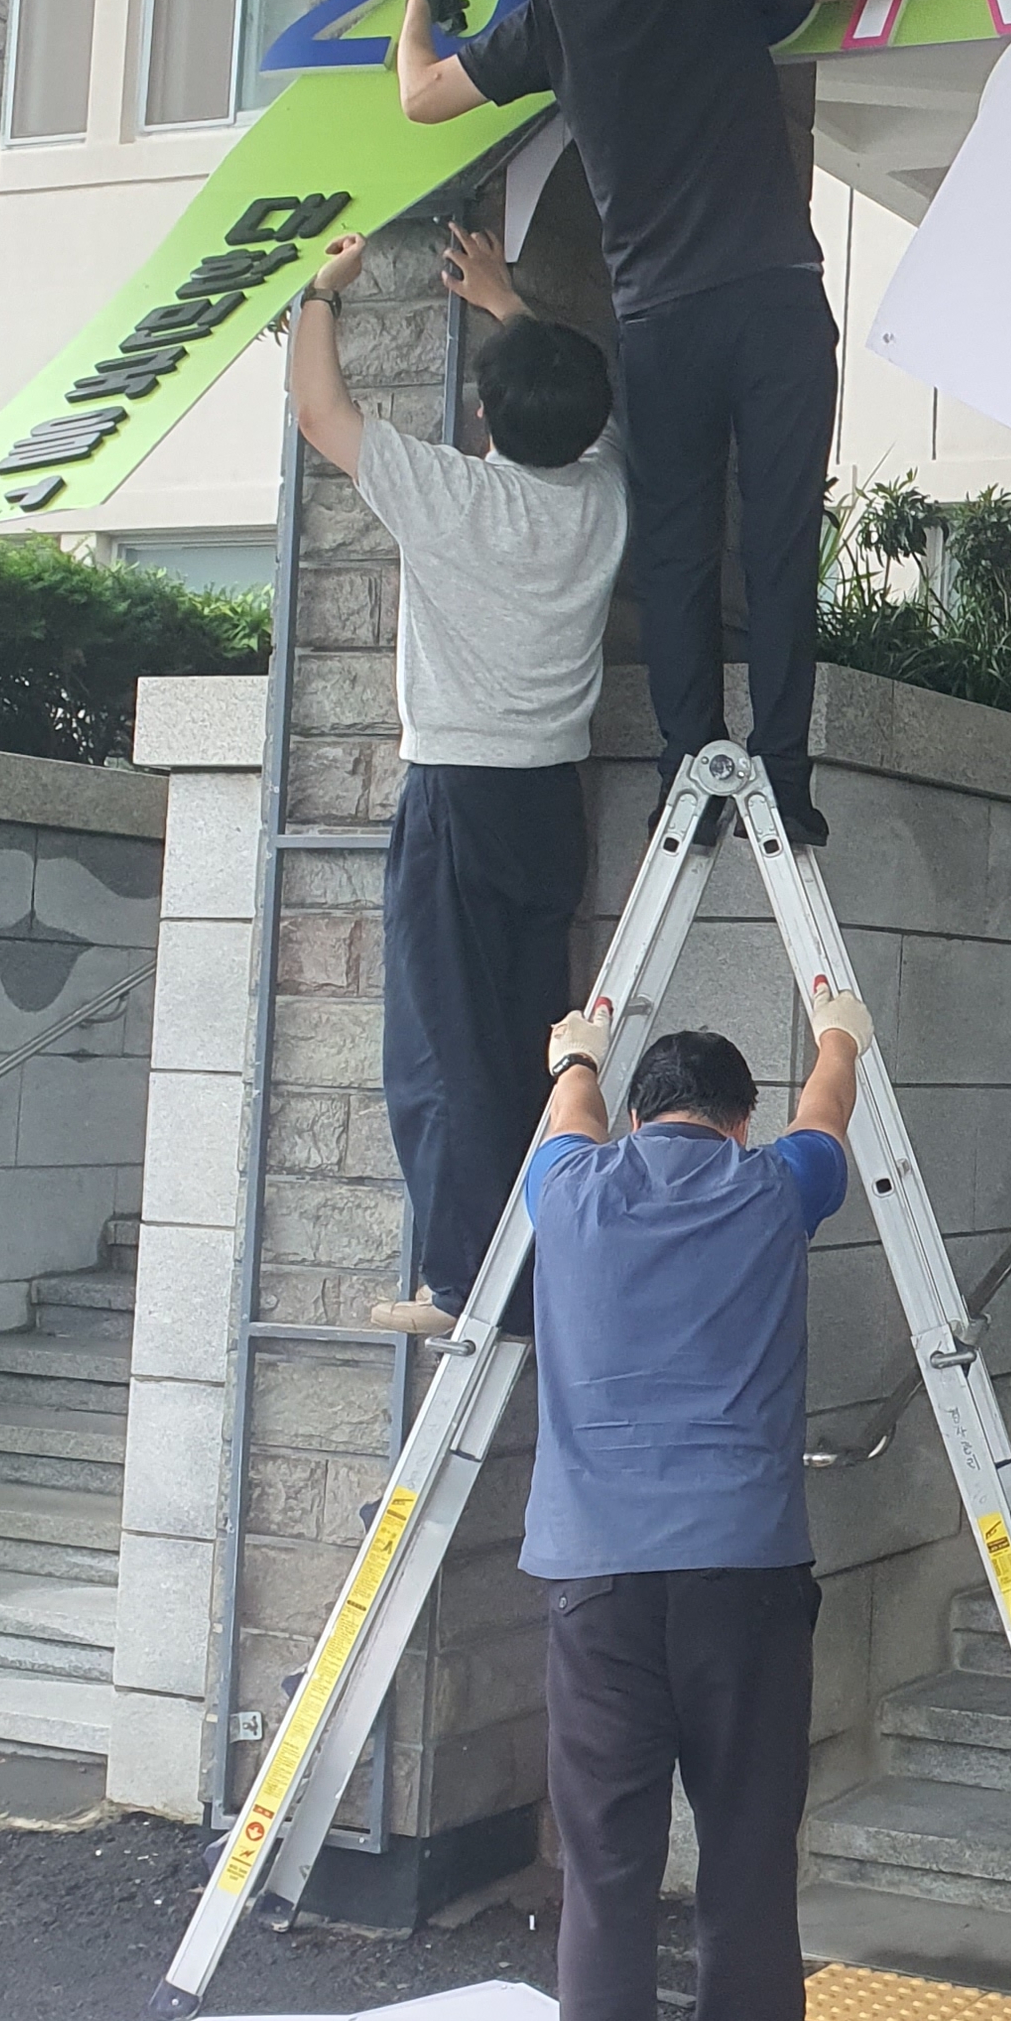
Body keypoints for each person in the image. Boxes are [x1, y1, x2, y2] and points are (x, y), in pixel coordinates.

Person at [394, 0, 907, 847]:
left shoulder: (556, 16)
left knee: (675, 552)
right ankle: (786, 784)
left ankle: (691, 784)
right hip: (776, 301)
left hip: (665, 322)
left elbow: (418, 96)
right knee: (776, 542)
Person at [516, 981, 872, 2021]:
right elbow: (832, 1113)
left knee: (608, 1878)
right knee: (745, 1850)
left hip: (599, 1588)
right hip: (746, 1581)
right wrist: (841, 1032)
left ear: (644, 1114)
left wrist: (578, 1049)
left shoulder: (567, 1190)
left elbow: (568, 1106)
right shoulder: (771, 1186)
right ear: (736, 1119)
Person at [286, 223, 629, 1340]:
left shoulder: (450, 497)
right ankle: (538, 1263)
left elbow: (322, 417)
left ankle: (462, 1282)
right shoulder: (603, 497)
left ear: (485, 417)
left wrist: (321, 294)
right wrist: (507, 300)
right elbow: (580, 404)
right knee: (533, 1033)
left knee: (441, 1044)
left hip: (459, 799)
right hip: (549, 804)